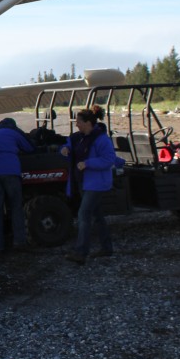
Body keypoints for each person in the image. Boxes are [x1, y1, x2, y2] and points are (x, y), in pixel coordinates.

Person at [60, 107, 119, 264]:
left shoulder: (101, 140)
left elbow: (109, 159)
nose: (76, 124)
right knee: (97, 216)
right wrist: (64, 149)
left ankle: (81, 252)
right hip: (84, 182)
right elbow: (68, 146)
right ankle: (107, 248)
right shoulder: (79, 138)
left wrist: (87, 163)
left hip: (97, 183)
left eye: (78, 122)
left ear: (87, 123)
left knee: (83, 214)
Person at [0, 117, 35, 254]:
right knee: (16, 206)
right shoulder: (13, 132)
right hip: (10, 170)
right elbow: (29, 148)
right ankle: (19, 242)